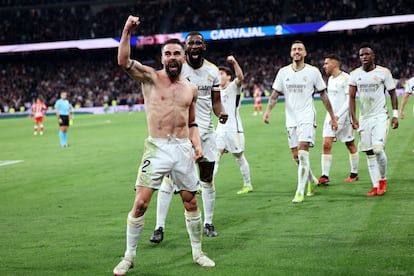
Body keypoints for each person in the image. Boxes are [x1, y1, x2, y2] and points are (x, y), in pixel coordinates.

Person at [113, 16, 215, 276]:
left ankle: (197, 252)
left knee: (191, 203)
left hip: (182, 149)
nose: (172, 57)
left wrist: (197, 144)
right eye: (167, 53)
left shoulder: (191, 88)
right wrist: (127, 30)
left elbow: (192, 123)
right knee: (140, 204)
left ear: (183, 58)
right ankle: (129, 257)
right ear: (161, 58)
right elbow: (123, 61)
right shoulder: (150, 78)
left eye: (176, 53)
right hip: (156, 148)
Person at [150, 31, 228, 243]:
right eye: (190, 43)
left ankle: (208, 222)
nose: (194, 46)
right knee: (168, 180)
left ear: (204, 47)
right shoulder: (176, 68)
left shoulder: (212, 71)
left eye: (197, 43)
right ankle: (159, 227)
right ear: (185, 48)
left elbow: (216, 102)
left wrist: (221, 112)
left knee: (207, 178)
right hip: (180, 135)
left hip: (205, 133)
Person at [263, 40, 338, 204]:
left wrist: (332, 116)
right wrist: (268, 111)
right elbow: (275, 94)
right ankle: (311, 180)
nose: (296, 51)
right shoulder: (283, 72)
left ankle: (300, 191)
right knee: (296, 156)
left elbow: (323, 95)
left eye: (300, 49)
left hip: (306, 117)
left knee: (303, 151)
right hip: (291, 119)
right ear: (291, 53)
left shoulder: (313, 72)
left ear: (305, 53)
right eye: (294, 49)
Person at [349, 43, 398, 197]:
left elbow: (393, 93)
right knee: (369, 152)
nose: (364, 57)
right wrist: (354, 118)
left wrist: (395, 114)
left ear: (373, 56)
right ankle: (375, 185)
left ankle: (382, 179)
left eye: (367, 54)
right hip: (364, 119)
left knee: (377, 149)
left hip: (380, 116)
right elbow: (351, 96)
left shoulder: (383, 72)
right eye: (361, 55)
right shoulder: (355, 74)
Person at [318, 54, 359, 185]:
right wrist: (332, 115)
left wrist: (338, 115)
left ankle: (354, 173)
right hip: (330, 116)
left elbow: (349, 100)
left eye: (326, 63)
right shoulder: (330, 79)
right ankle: (325, 176)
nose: (324, 66)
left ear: (334, 65)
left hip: (343, 117)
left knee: (350, 144)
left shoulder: (346, 78)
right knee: (326, 144)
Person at [215, 55, 253, 194]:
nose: (219, 76)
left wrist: (235, 63)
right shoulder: (216, 91)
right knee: (215, 156)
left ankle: (248, 184)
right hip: (220, 129)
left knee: (239, 157)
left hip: (234, 129)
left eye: (221, 74)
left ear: (228, 77)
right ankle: (207, 185)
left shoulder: (233, 87)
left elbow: (241, 77)